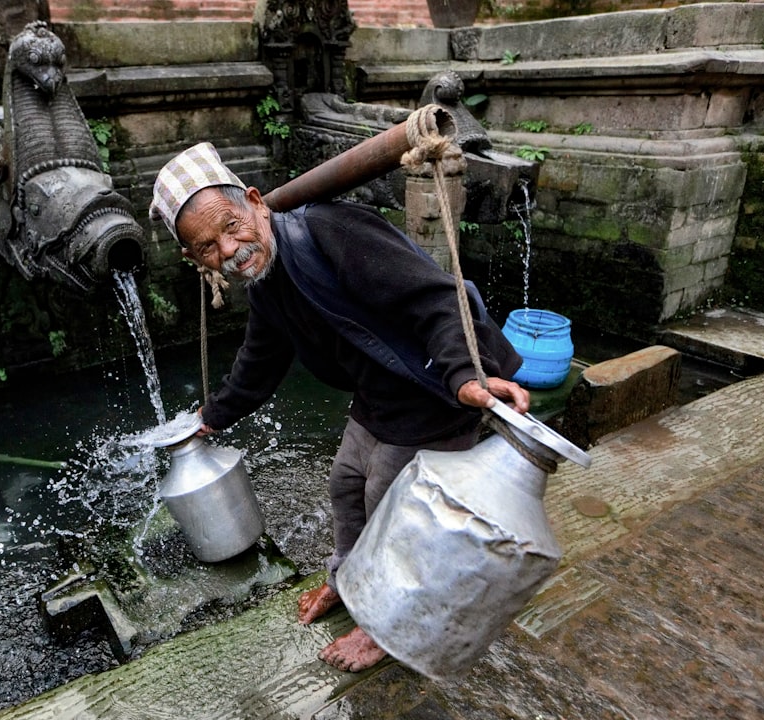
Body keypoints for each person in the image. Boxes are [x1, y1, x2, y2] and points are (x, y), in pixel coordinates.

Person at [149, 142, 530, 673]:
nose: (229, 250)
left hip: (432, 390)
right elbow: (260, 361)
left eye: (231, 226)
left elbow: (438, 298)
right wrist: (212, 416)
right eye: (208, 247)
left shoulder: (333, 231)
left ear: (256, 201)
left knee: (394, 510)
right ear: (195, 260)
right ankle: (346, 582)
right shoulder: (266, 283)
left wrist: (465, 377)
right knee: (347, 486)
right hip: (377, 396)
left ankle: (385, 624)